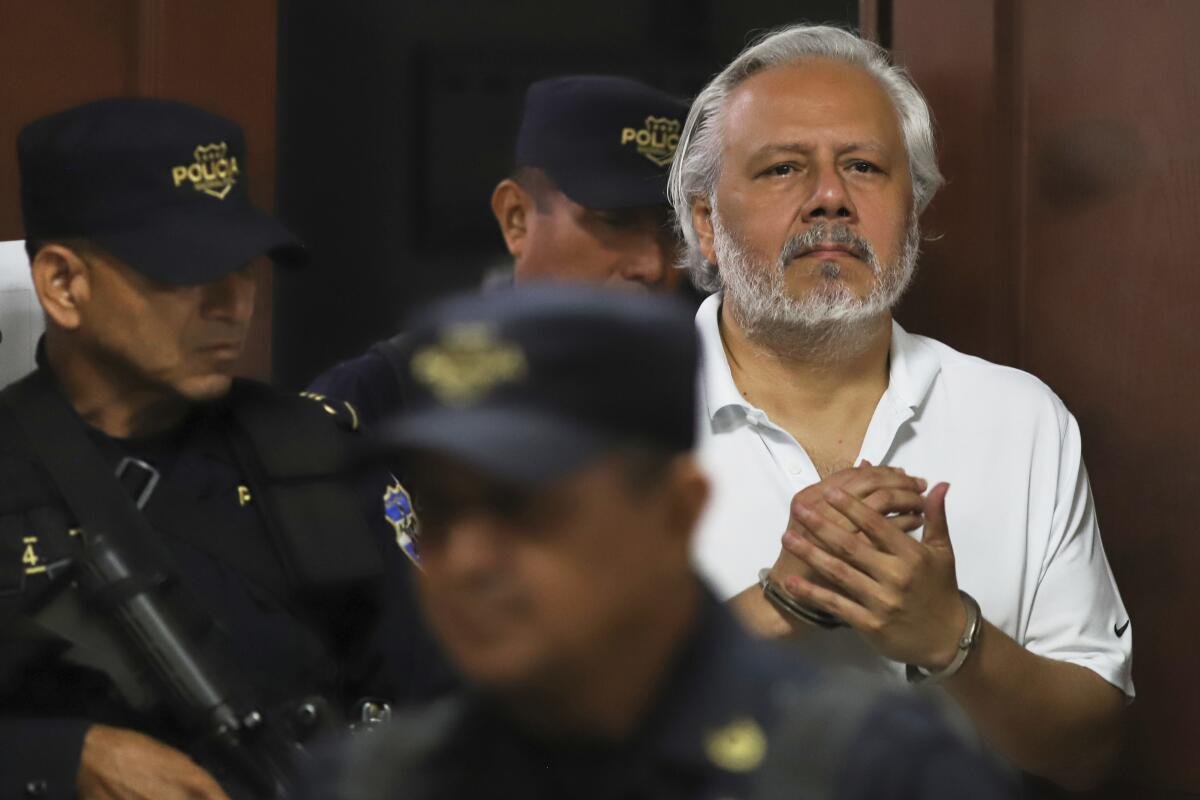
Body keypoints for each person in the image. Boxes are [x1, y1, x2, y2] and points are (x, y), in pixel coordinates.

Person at [295, 284, 1014, 800]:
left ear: (676, 512)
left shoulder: (868, 771)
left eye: (525, 508)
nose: (468, 561)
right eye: (440, 513)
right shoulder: (367, 781)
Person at [667, 24, 1132, 790]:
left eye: (864, 167)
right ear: (708, 224)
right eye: (784, 168)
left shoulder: (1020, 420)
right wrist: (781, 600)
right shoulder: (608, 426)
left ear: (911, 211)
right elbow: (542, 741)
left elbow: (1088, 751)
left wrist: (952, 637)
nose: (830, 198)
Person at [0, 98, 445, 800]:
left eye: (243, 265)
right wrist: (57, 758)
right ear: (63, 284)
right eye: (182, 270)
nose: (232, 301)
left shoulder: (318, 452)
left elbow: (442, 697)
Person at [306, 75, 689, 427]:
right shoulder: (383, 400)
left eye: (675, 229)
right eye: (615, 221)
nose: (654, 265)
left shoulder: (714, 405)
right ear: (516, 219)